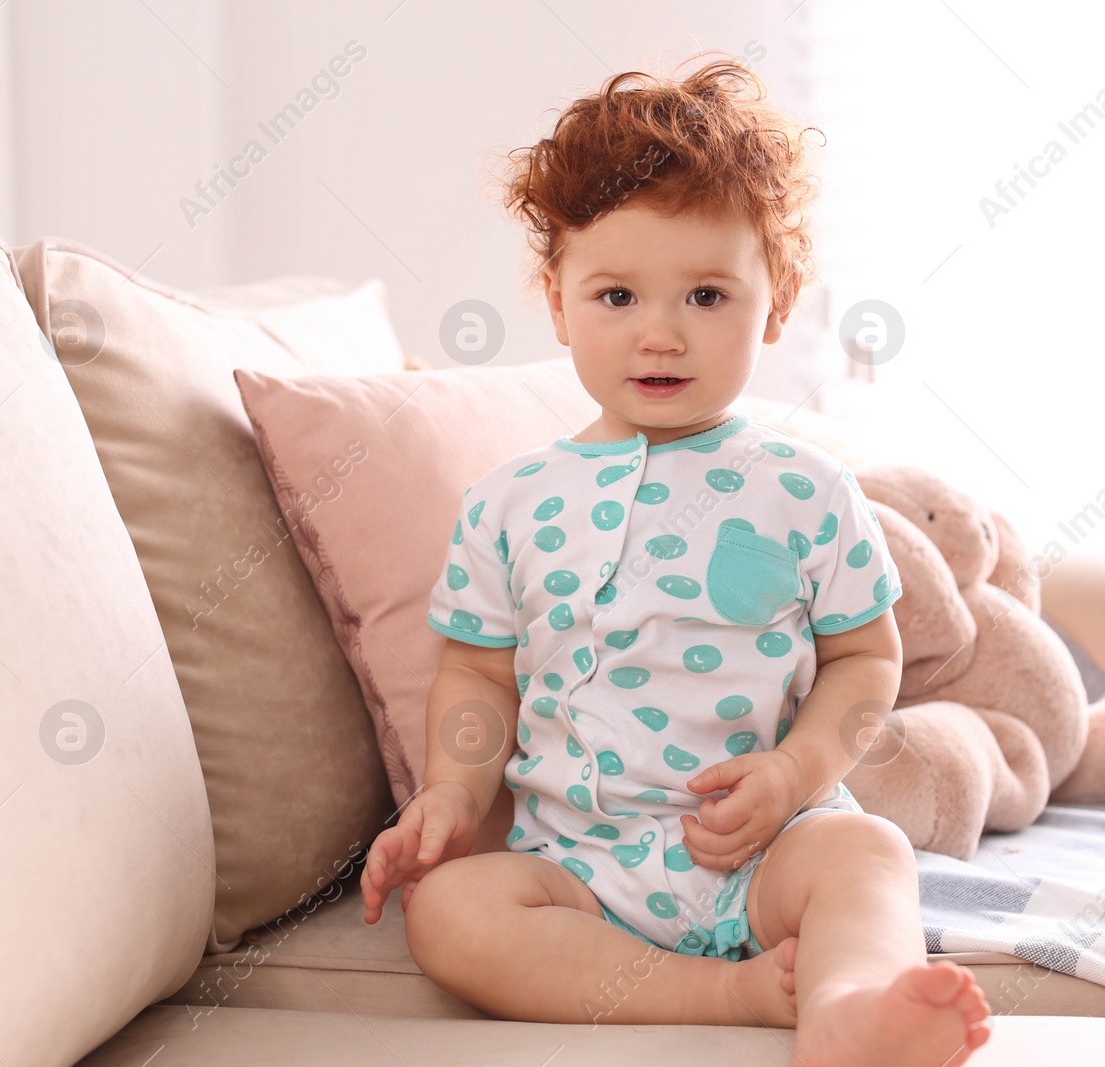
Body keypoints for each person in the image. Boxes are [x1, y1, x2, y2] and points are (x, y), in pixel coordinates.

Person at [361, 53, 991, 1065]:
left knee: (868, 854)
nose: (659, 333)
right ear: (559, 302)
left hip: (765, 845)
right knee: (449, 913)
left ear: (775, 303)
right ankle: (731, 994)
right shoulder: (510, 500)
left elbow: (867, 660)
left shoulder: (803, 486)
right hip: (575, 865)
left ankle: (847, 1011)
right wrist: (449, 792)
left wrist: (794, 775)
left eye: (705, 294)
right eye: (616, 296)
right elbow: (477, 671)